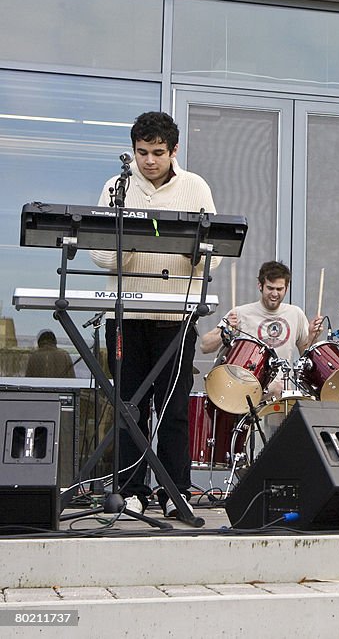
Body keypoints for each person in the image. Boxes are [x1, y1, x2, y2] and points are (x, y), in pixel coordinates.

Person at [89, 111, 218, 520]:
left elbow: (216, 255)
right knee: (130, 406)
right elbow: (100, 253)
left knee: (175, 408)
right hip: (127, 316)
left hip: (175, 317)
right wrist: (131, 241)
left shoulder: (195, 186)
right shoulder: (116, 186)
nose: (149, 161)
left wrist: (188, 250)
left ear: (174, 150)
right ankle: (130, 489)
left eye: (158, 153)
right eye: (142, 152)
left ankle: (175, 491)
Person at [199, 260, 324, 399]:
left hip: (281, 392)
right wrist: (225, 330)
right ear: (260, 286)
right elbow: (205, 346)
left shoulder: (296, 314)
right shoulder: (240, 313)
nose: (275, 294)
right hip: (245, 390)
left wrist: (313, 336)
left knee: (283, 392)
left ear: (286, 288)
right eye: (270, 288)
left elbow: (305, 357)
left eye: (279, 289)